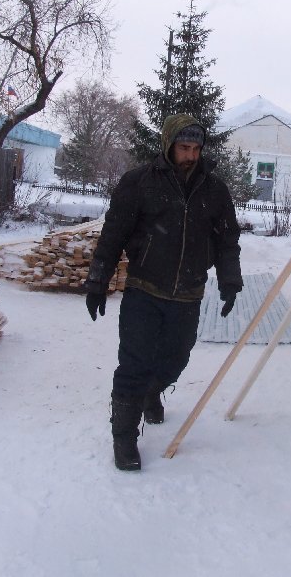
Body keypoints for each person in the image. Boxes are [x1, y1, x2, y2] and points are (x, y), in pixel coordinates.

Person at [84, 113, 243, 471]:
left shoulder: (215, 190)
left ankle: (152, 392)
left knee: (175, 361)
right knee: (134, 364)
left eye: (196, 149)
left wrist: (230, 282)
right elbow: (113, 234)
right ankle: (124, 437)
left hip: (188, 294)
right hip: (144, 288)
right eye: (184, 148)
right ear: (169, 145)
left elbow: (226, 240)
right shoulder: (139, 182)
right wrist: (97, 281)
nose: (191, 156)